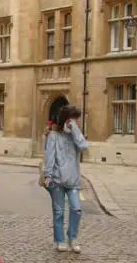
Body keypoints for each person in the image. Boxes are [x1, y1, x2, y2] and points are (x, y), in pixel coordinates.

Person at [44, 105, 88, 253]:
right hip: (57, 181)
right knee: (59, 212)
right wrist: (48, 176)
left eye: (77, 120)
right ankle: (60, 240)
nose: (76, 122)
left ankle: (73, 237)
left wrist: (75, 129)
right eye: (73, 119)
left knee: (76, 209)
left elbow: (83, 146)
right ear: (66, 120)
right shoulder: (53, 136)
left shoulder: (76, 137)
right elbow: (49, 158)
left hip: (73, 181)